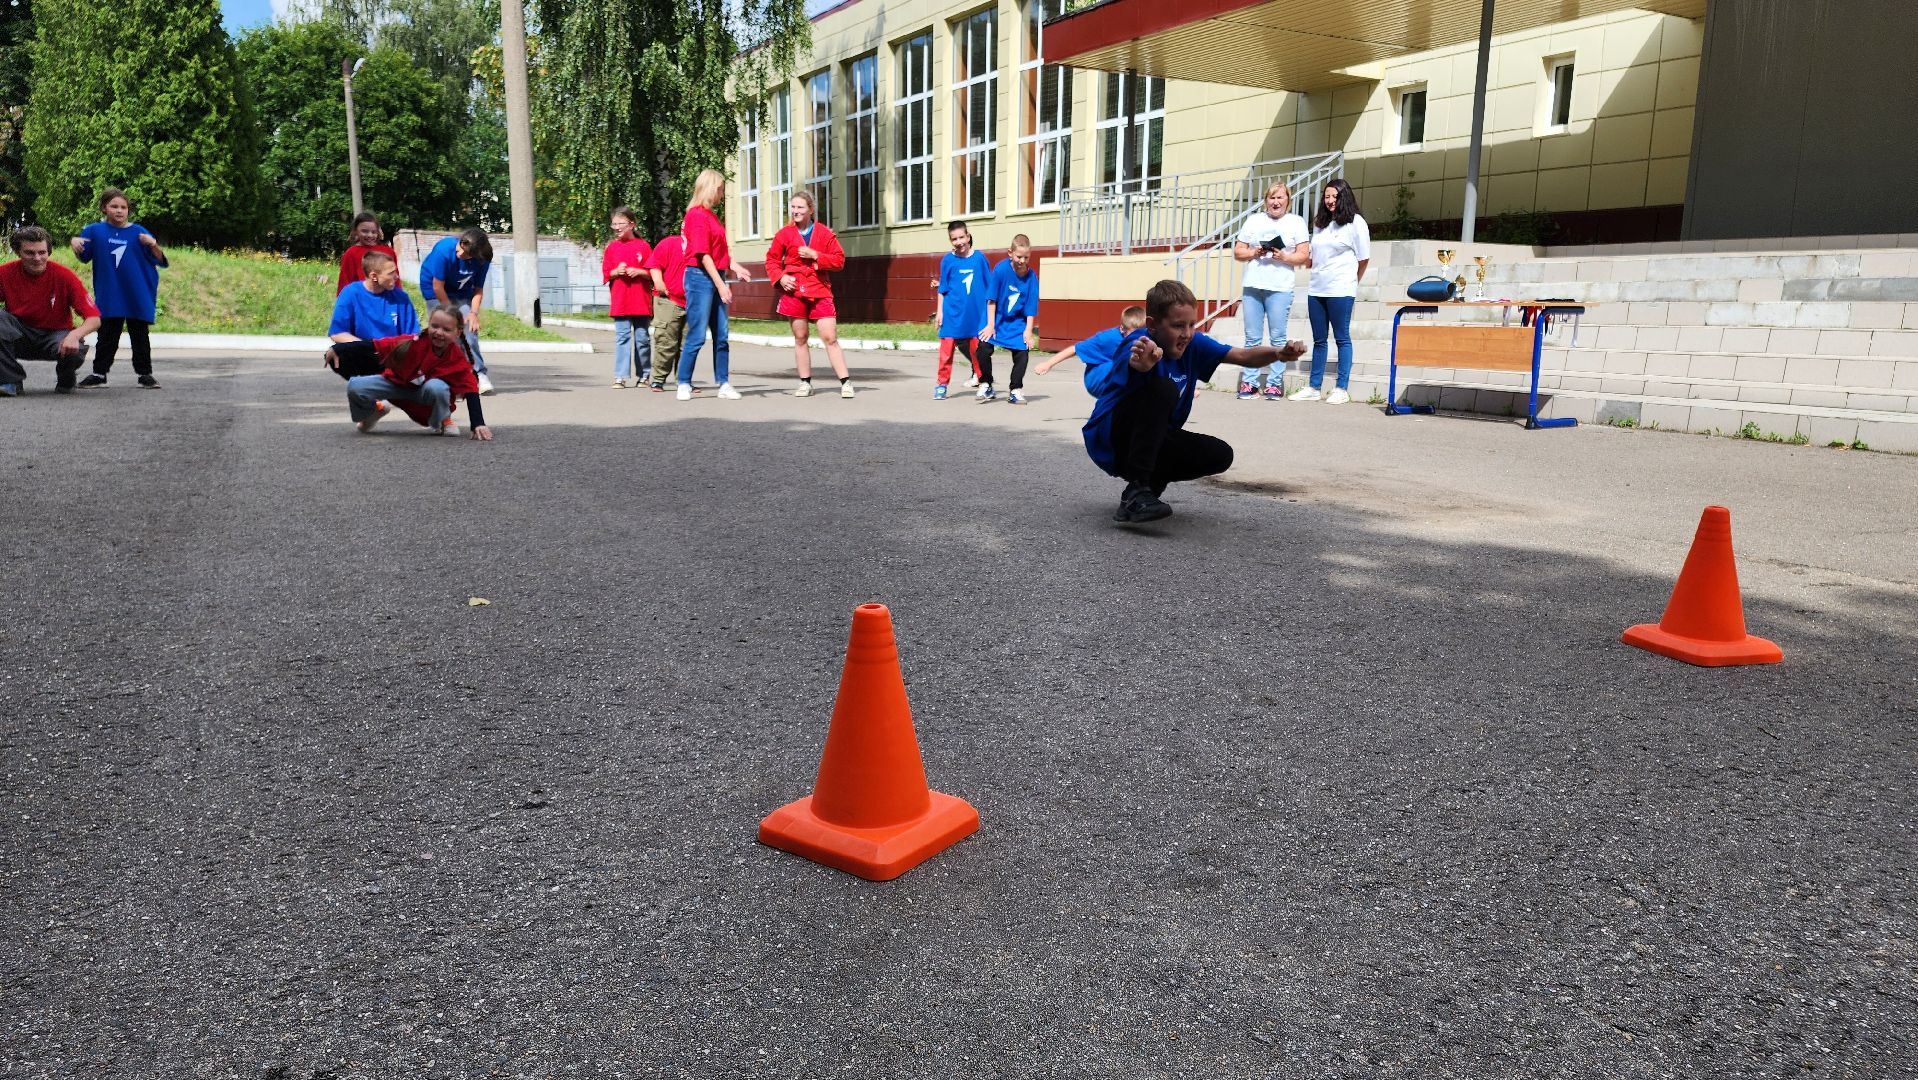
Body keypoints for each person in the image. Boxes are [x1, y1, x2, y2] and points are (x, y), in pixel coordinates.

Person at [1079, 279, 1303, 524]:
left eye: (1191, 325)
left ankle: (1142, 495)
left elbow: (1242, 355)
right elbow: (1133, 362)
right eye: (1177, 326)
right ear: (1152, 325)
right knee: (1163, 388)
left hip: (1151, 440)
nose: (1186, 333)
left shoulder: (1194, 344)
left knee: (1219, 454)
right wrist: (1141, 366)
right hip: (1111, 438)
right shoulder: (1138, 343)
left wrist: (1278, 353)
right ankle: (1138, 489)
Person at [326, 304, 493, 440]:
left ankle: (443, 419)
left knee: (437, 387)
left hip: (424, 401)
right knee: (355, 386)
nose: (439, 332)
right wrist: (339, 348)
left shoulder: (458, 360)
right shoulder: (412, 343)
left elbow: (471, 390)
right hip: (396, 387)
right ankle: (373, 412)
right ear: (429, 325)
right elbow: (374, 345)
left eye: (446, 329)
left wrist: (477, 423)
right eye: (434, 326)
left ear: (458, 332)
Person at [72, 187, 168, 389]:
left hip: (138, 292)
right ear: (103, 208)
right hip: (110, 293)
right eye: (114, 206)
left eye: (123, 207)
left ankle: (145, 375)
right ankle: (99, 374)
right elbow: (84, 257)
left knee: (140, 335)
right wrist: (75, 244)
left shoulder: (139, 232)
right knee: (107, 335)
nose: (119, 210)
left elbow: (160, 260)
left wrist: (153, 244)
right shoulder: (94, 231)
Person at [765, 190, 854, 398]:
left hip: (819, 289)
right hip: (794, 291)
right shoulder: (784, 234)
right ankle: (805, 383)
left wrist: (816, 255)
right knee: (800, 337)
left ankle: (846, 382)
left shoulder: (823, 233)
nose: (795, 211)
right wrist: (780, 277)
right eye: (793, 207)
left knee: (829, 336)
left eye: (800, 207)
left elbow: (839, 260)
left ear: (810, 210)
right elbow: (772, 260)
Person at [675, 168, 751, 401]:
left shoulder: (711, 216)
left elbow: (718, 252)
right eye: (721, 190)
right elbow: (703, 254)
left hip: (715, 273)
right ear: (712, 189)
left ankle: (724, 383)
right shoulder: (696, 215)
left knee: (722, 334)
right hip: (699, 277)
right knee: (697, 334)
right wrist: (720, 285)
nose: (722, 194)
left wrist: (736, 267)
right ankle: (683, 383)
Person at [1291, 178, 1369, 405]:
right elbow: (1315, 256)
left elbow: (1363, 258)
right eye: (1327, 196)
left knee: (1342, 338)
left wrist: (1352, 282)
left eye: (1335, 196)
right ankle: (1314, 387)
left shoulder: (1356, 223)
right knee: (1319, 340)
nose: (1330, 200)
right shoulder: (1321, 223)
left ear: (1345, 197)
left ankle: (1341, 388)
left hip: (1341, 288)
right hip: (1317, 288)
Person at [1232, 180, 1310, 400]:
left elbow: (1303, 255)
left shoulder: (1296, 222)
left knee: (1278, 338)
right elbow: (1238, 251)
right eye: (1272, 198)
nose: (1276, 202)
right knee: (1252, 338)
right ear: (1266, 200)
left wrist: (1284, 256)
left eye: (1280, 197)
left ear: (1288, 200)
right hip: (1253, 286)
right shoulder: (1254, 220)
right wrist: (1254, 252)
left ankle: (1274, 384)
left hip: (1280, 287)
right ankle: (1249, 383)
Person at [0, 226, 101, 396]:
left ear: (49, 251)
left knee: (76, 348)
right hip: (19, 334)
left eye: (42, 252)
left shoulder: (64, 276)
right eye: (29, 253)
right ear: (18, 252)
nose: (37, 258)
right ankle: (9, 381)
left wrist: (74, 336)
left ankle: (66, 378)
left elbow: (94, 318)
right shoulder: (4, 273)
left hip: (56, 336)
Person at [420, 227, 495, 395]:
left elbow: (478, 290)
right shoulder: (444, 250)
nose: (460, 253)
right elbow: (438, 287)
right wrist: (452, 315)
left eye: (466, 254)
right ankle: (448, 378)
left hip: (461, 292)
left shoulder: (482, 259)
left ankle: (479, 374)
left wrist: (473, 314)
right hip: (435, 290)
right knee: (444, 332)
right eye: (459, 248)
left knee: (469, 329)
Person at [979, 233, 1039, 404]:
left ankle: (1015, 390)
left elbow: (1031, 308)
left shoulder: (1032, 277)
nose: (1022, 261)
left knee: (1023, 352)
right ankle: (986, 384)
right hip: (996, 318)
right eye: (1019, 256)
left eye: (1026, 257)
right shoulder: (1001, 270)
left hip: (1016, 322)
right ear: (1010, 253)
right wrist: (990, 325)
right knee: (983, 347)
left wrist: (1028, 331)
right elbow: (992, 299)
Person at [933, 220, 990, 400]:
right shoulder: (948, 260)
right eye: (954, 239)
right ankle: (941, 385)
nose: (959, 242)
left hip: (975, 315)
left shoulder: (979, 258)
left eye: (961, 237)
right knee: (946, 352)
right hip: (952, 315)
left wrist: (990, 315)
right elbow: (943, 289)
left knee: (977, 352)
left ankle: (984, 383)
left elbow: (990, 287)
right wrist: (940, 312)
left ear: (968, 236)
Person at [602, 207, 654, 388]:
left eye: (620, 223)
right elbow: (606, 273)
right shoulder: (612, 248)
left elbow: (653, 272)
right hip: (621, 301)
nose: (616, 227)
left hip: (640, 301)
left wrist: (639, 271)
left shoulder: (643, 246)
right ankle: (620, 376)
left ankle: (644, 375)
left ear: (632, 224)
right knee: (622, 337)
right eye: (614, 224)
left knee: (642, 338)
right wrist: (616, 271)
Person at [330, 250, 420, 342]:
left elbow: (413, 336)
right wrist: (368, 348)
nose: (396, 276)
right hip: (360, 349)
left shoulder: (401, 298)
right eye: (391, 273)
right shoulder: (350, 294)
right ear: (374, 276)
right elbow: (337, 333)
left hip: (393, 350)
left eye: (395, 271)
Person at [1033, 306, 1143, 376]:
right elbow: (1075, 349)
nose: (1138, 337)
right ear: (1122, 329)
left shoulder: (1146, 337)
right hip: (1098, 377)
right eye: (1134, 334)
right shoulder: (1107, 338)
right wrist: (1048, 364)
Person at [645, 232, 687, 392]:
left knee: (687, 344)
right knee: (666, 341)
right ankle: (658, 379)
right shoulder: (670, 243)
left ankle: (683, 380)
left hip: (693, 302)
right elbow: (654, 265)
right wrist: (658, 282)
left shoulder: (701, 246)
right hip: (668, 299)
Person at [335, 212, 399, 296]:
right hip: (362, 300)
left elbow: (395, 279)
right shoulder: (351, 254)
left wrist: (399, 298)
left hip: (388, 299)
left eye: (374, 232)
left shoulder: (388, 251)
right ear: (355, 231)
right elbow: (345, 282)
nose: (370, 235)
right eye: (364, 231)